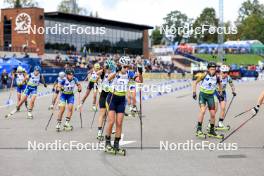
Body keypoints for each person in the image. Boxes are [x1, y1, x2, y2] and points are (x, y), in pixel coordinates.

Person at [104, 56, 143, 155]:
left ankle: (116, 145)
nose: (126, 68)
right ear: (120, 65)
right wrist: (116, 72)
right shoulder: (115, 71)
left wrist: (141, 74)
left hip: (121, 100)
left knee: (119, 122)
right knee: (111, 121)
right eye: (125, 66)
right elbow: (108, 79)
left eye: (128, 67)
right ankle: (107, 143)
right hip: (112, 98)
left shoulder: (129, 73)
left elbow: (139, 81)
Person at [192, 62, 224, 139]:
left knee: (213, 114)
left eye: (214, 69)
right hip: (203, 95)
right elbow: (195, 83)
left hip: (210, 96)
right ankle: (198, 130)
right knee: (203, 111)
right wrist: (194, 93)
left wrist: (221, 93)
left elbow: (220, 85)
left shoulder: (217, 77)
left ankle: (211, 131)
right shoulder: (204, 75)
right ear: (208, 69)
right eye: (211, 69)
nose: (213, 70)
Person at [211, 65, 236, 131]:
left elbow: (232, 85)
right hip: (215, 93)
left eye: (227, 72)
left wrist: (233, 91)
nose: (225, 74)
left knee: (223, 108)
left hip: (223, 93)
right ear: (221, 72)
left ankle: (220, 123)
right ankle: (210, 123)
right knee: (215, 109)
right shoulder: (217, 77)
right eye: (224, 72)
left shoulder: (228, 78)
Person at [96, 59, 116, 140]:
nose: (108, 69)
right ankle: (99, 132)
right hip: (104, 95)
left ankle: (111, 128)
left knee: (110, 114)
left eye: (109, 68)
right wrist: (103, 69)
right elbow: (96, 74)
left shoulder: (114, 74)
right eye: (108, 67)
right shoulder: (103, 73)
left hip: (111, 96)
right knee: (102, 113)